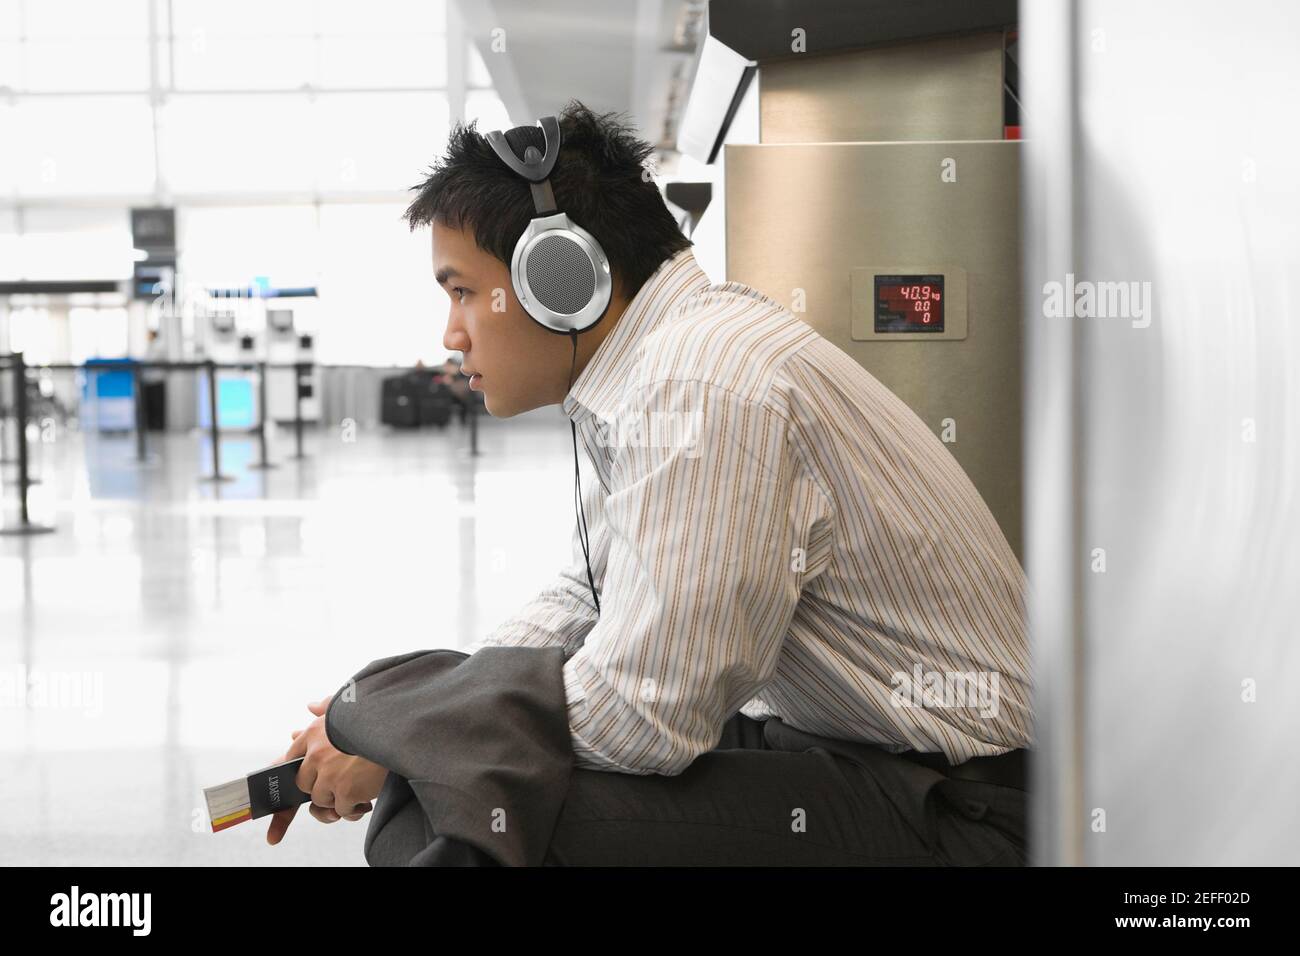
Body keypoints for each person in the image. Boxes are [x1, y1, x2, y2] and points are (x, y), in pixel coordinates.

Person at [270, 101, 1032, 865]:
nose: (451, 333)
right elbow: (583, 598)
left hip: (965, 809)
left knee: (463, 823)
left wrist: (415, 740)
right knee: (453, 784)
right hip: (860, 752)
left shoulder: (702, 384)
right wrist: (407, 722)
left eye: (463, 291)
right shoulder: (665, 368)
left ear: (558, 280)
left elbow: (643, 716)